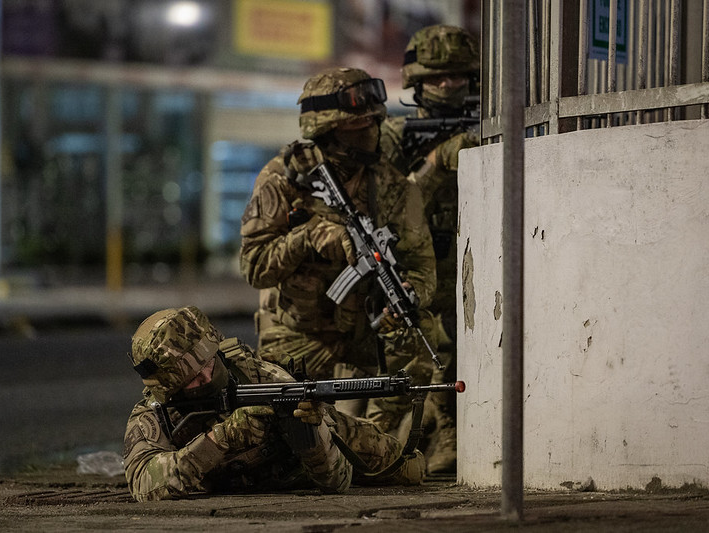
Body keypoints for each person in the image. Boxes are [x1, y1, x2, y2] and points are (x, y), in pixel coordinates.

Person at [238, 67, 437, 419]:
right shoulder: (284, 179)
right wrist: (311, 236)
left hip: (364, 335)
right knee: (282, 434)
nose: (372, 135)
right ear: (327, 134)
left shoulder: (394, 188)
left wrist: (408, 294)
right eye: (358, 130)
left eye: (375, 124)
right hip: (297, 334)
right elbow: (254, 267)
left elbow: (422, 267)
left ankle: (378, 441)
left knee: (416, 330)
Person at [122, 306, 425, 502]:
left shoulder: (259, 376)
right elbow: (143, 484)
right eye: (192, 378)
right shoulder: (154, 415)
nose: (206, 375)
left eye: (209, 363)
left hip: (298, 466)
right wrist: (220, 440)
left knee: (411, 469)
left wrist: (313, 434)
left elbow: (336, 482)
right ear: (170, 388)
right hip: (237, 480)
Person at [379, 24, 481, 474]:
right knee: (407, 368)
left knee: (459, 356)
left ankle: (447, 440)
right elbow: (392, 203)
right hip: (415, 267)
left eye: (457, 76)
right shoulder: (393, 138)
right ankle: (379, 448)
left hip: (471, 261)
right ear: (417, 82)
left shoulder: (484, 128)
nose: (448, 85)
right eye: (438, 78)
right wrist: (440, 162)